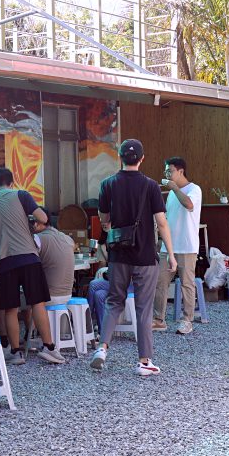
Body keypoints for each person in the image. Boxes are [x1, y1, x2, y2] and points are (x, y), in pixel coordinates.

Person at [91, 139, 176, 377]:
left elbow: (104, 219)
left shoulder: (108, 184)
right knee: (143, 308)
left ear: (120, 158)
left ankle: (102, 349)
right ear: (142, 158)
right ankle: (144, 361)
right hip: (145, 256)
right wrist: (170, 253)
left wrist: (110, 225)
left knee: (113, 301)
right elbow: (161, 222)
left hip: (118, 254)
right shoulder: (150, 186)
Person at [0, 167, 65, 365]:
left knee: (10, 308)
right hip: (28, 258)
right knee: (37, 302)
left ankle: (15, 352)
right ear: (11, 182)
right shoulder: (21, 195)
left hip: (4, 261)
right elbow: (43, 218)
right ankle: (49, 348)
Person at [152, 156, 202, 335]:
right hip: (168, 247)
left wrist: (174, 188)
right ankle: (159, 319)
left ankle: (187, 320)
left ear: (180, 171)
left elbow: (189, 205)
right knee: (160, 282)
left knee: (187, 284)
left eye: (169, 171)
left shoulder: (194, 189)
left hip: (187, 247)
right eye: (166, 171)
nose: (166, 174)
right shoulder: (171, 194)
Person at [32, 211, 75, 306]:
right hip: (67, 294)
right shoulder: (67, 238)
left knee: (4, 294)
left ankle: (30, 321)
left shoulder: (37, 238)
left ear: (38, 223)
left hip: (49, 296)